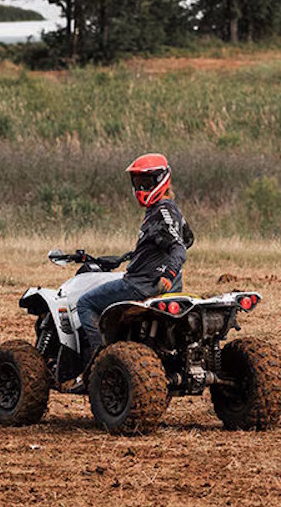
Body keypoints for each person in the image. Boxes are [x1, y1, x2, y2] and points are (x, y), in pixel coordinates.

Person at [76, 152, 196, 365]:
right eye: (138, 182)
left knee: (85, 303)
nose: (141, 189)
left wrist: (167, 273)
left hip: (141, 285)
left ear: (162, 181)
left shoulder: (161, 212)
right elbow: (188, 239)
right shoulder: (170, 210)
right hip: (163, 287)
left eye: (147, 183)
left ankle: (98, 362)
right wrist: (145, 256)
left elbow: (179, 247)